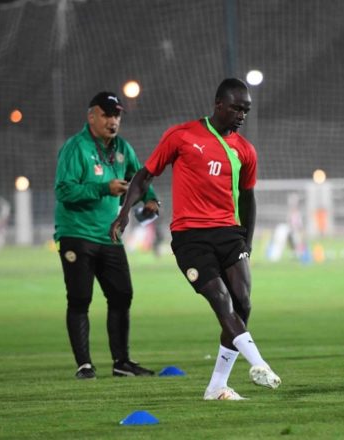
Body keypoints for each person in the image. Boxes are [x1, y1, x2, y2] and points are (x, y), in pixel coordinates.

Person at [110, 78, 281, 400]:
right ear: (218, 104)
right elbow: (144, 175)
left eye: (246, 109)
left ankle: (217, 386)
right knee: (221, 300)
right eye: (236, 108)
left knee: (243, 304)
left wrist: (248, 240)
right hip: (191, 236)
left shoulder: (245, 150)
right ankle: (258, 363)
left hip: (230, 234)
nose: (242, 114)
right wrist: (124, 213)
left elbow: (248, 198)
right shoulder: (182, 136)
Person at [54, 91, 160, 379]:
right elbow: (63, 190)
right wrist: (104, 188)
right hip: (76, 233)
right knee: (79, 298)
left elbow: (140, 177)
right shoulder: (75, 147)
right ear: (91, 116)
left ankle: (121, 362)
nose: (113, 120)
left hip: (109, 235)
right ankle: (84, 365)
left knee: (122, 294)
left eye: (117, 115)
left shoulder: (122, 148)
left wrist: (150, 198)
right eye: (106, 114)